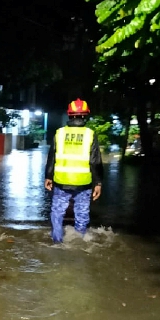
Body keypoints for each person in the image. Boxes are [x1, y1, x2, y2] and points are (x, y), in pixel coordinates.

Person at [43, 98, 103, 243]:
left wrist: (48, 176)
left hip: (61, 181)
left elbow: (52, 157)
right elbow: (95, 161)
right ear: (85, 115)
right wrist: (98, 183)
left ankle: (57, 241)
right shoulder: (90, 134)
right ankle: (78, 243)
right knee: (81, 214)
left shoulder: (60, 133)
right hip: (83, 183)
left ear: (69, 115)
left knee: (57, 212)